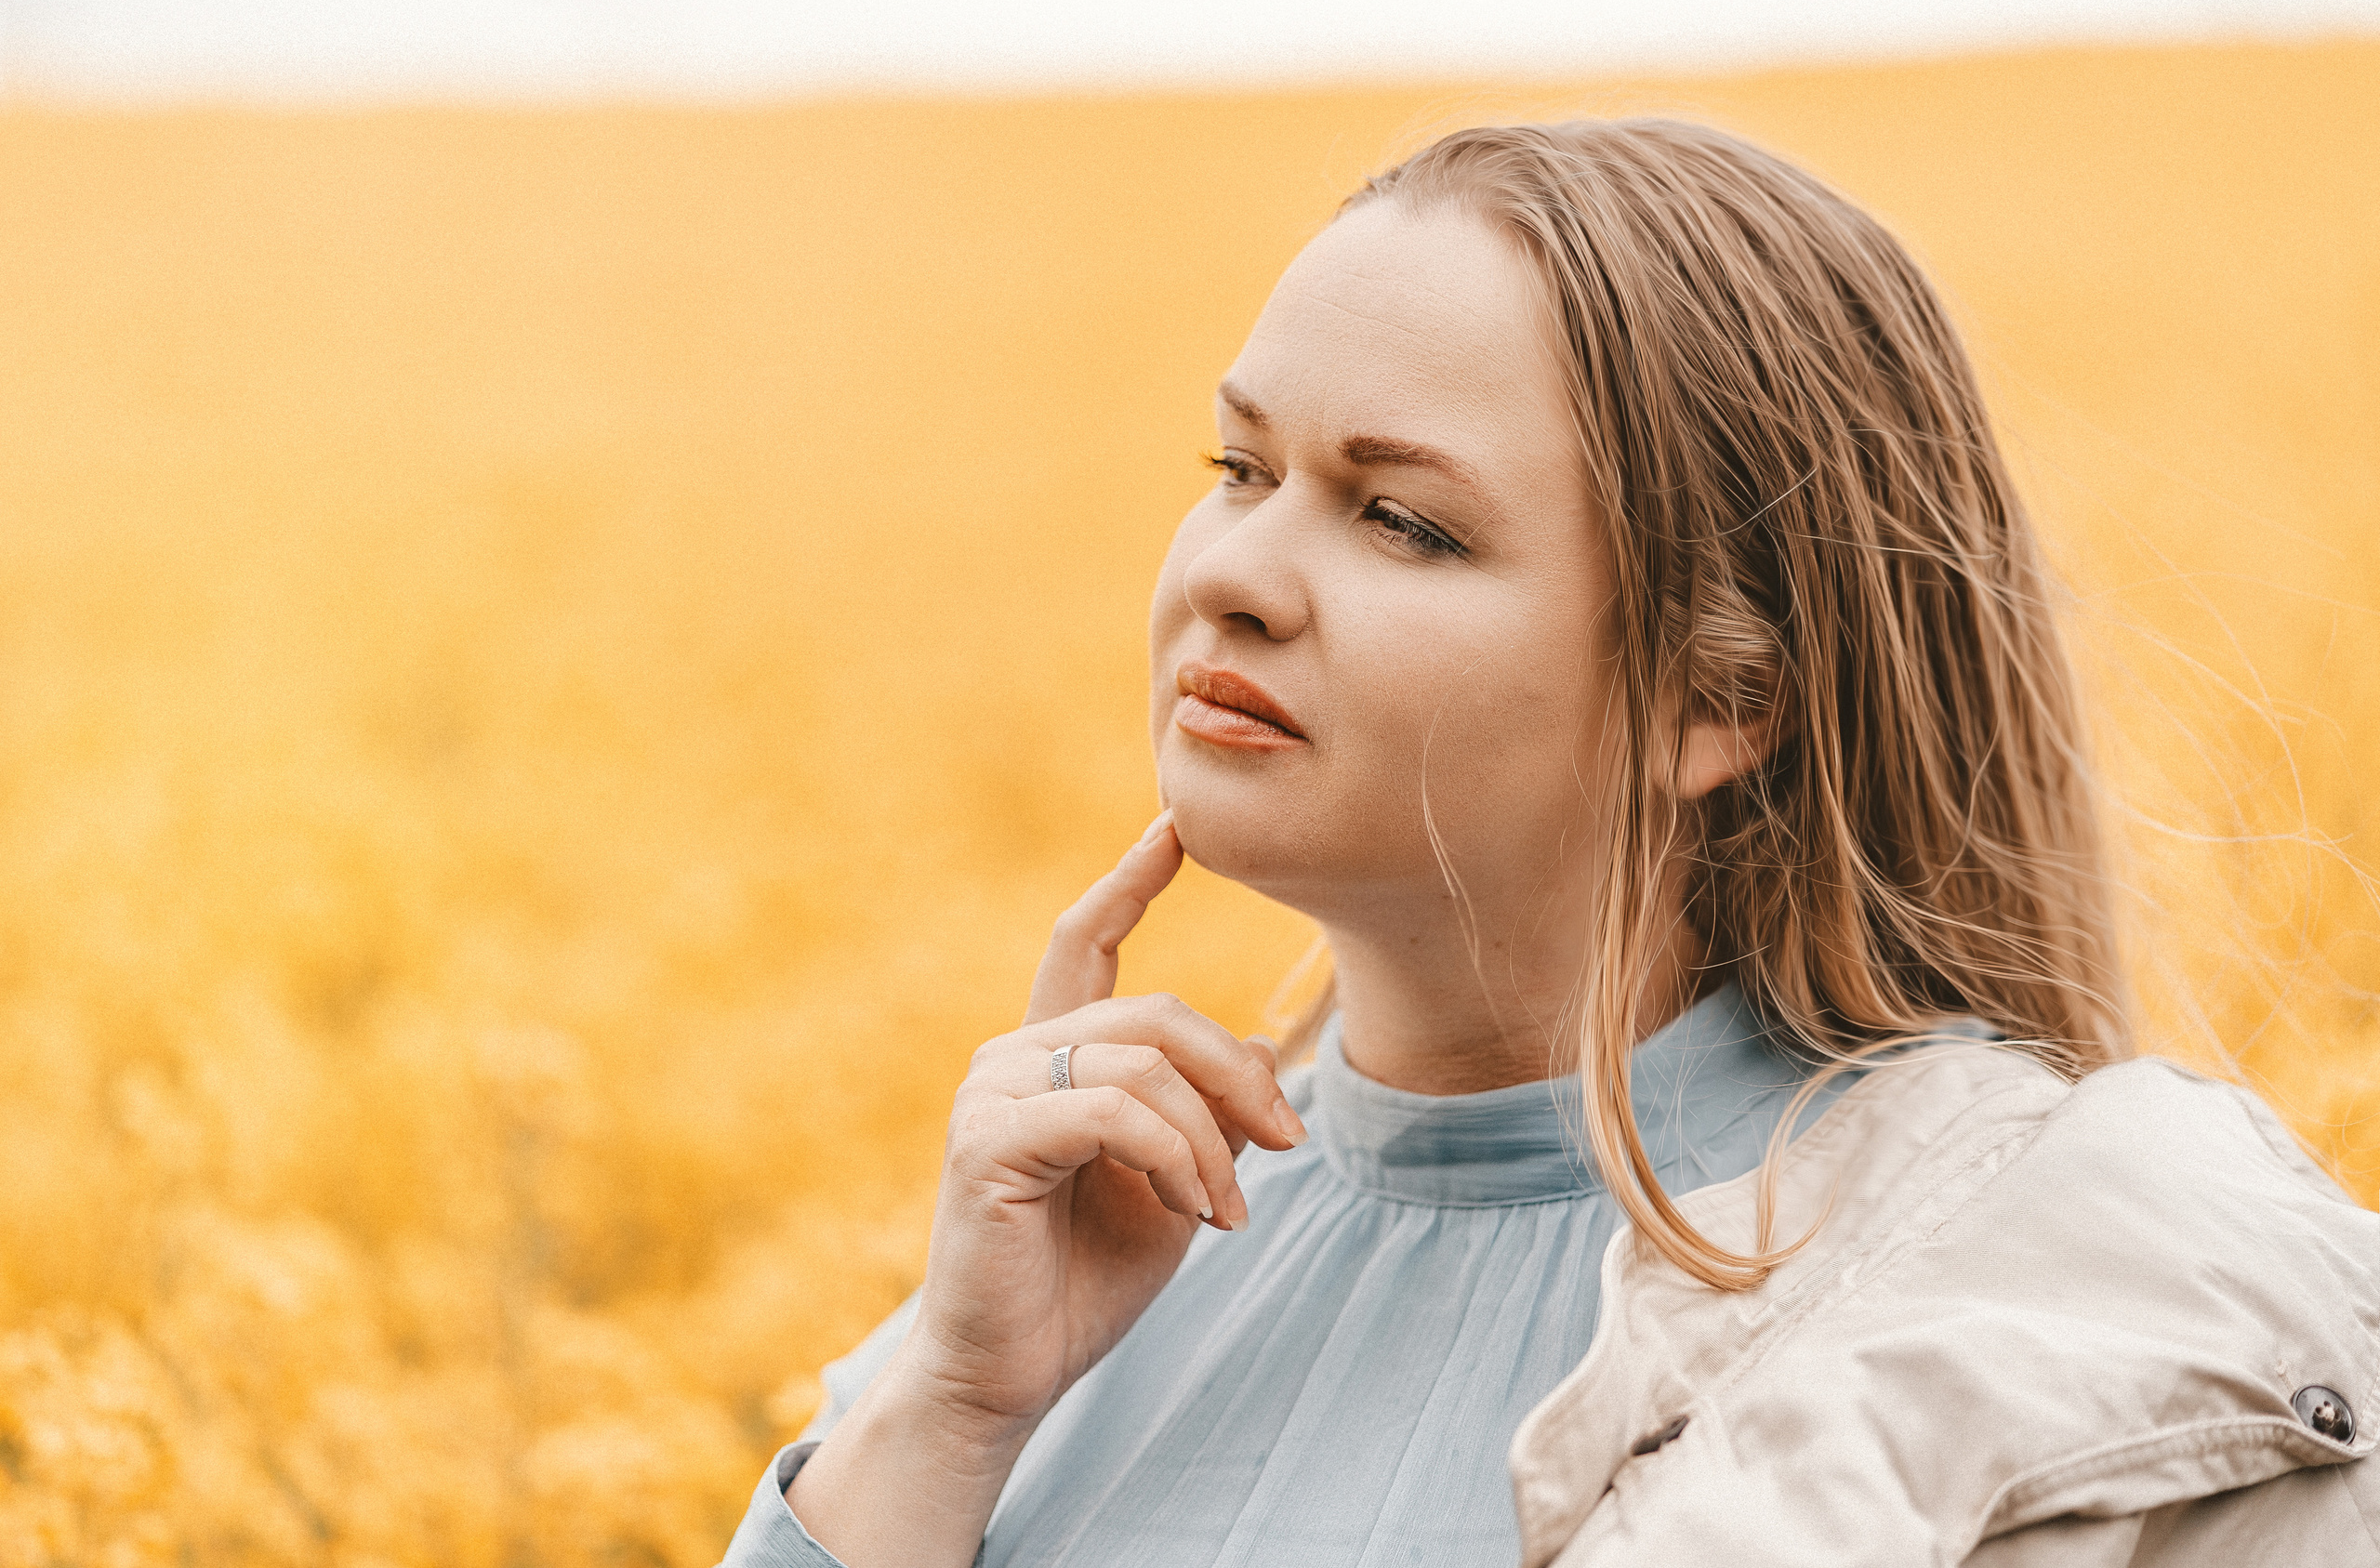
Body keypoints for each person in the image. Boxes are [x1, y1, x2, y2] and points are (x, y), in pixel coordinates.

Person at [721, 120, 2380, 1567]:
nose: (1232, 573)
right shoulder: (1083, 1255)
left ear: (1716, 699)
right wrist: (945, 1407)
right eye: (1239, 466)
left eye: (1406, 522)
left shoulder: (2081, 1301)